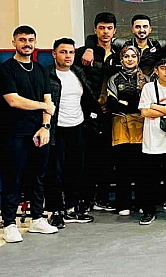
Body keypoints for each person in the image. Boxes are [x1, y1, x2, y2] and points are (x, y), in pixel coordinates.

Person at [1, 26, 58, 242]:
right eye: (22, 39)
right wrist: (43, 107)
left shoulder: (41, 70)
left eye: (31, 40)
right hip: (14, 133)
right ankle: (9, 223)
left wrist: (45, 127)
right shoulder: (6, 70)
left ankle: (37, 218)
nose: (27, 43)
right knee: (13, 177)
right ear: (14, 42)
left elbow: (48, 100)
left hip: (39, 132)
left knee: (38, 177)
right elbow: (13, 100)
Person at [46, 38, 100, 229]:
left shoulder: (77, 72)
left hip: (77, 127)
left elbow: (87, 97)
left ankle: (71, 208)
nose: (67, 56)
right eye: (63, 52)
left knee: (75, 169)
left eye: (71, 52)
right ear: (54, 54)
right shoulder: (47, 75)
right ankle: (55, 211)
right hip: (56, 128)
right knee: (55, 172)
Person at [75, 12, 121, 212]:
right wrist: (89, 47)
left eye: (109, 28)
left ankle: (103, 197)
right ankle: (85, 199)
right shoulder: (83, 53)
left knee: (107, 157)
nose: (105, 32)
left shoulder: (120, 54)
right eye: (102, 28)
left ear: (115, 30)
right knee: (88, 158)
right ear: (95, 30)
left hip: (111, 113)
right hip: (88, 112)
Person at [137, 57, 166, 225]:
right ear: (156, 71)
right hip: (152, 141)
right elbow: (144, 112)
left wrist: (155, 106)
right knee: (150, 179)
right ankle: (148, 211)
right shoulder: (148, 87)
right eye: (162, 68)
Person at [107, 45, 148, 217]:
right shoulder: (114, 79)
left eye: (133, 56)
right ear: (121, 59)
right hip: (121, 125)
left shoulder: (146, 79)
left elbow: (145, 103)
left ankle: (143, 203)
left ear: (138, 59)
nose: (130, 59)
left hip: (141, 126)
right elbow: (112, 104)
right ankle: (123, 203)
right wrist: (130, 104)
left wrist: (126, 103)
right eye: (126, 56)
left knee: (141, 167)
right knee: (123, 167)